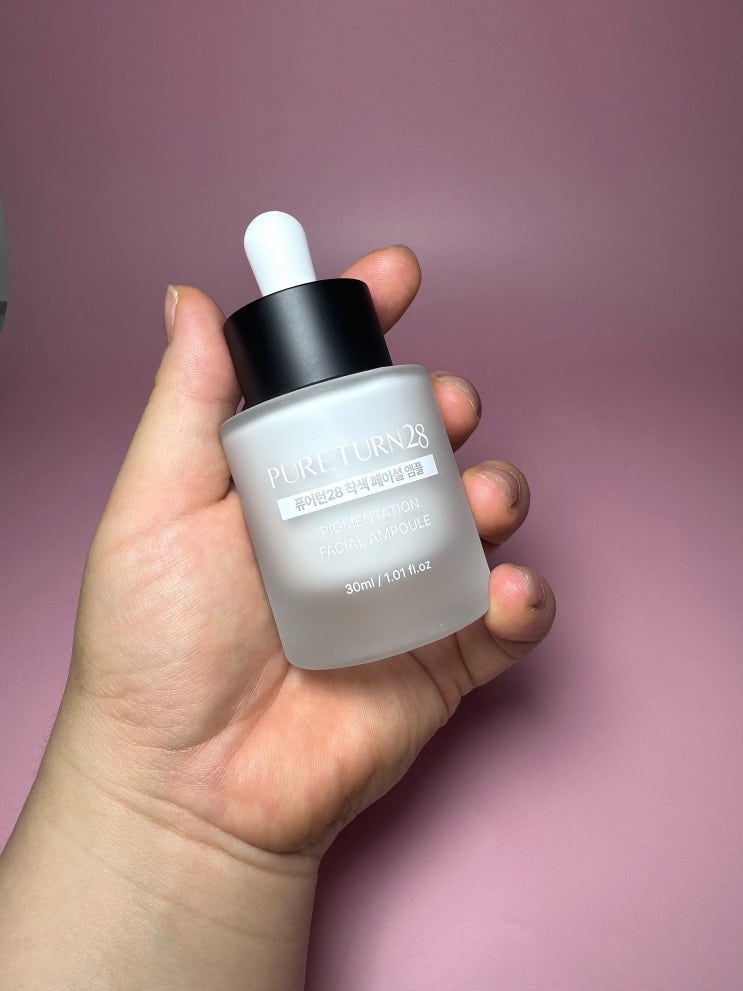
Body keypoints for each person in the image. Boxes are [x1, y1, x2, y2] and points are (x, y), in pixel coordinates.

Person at [0, 245, 555, 990]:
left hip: (432, 589)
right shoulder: (259, 433)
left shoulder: (394, 390)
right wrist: (163, 805)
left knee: (461, 467)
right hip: (320, 637)